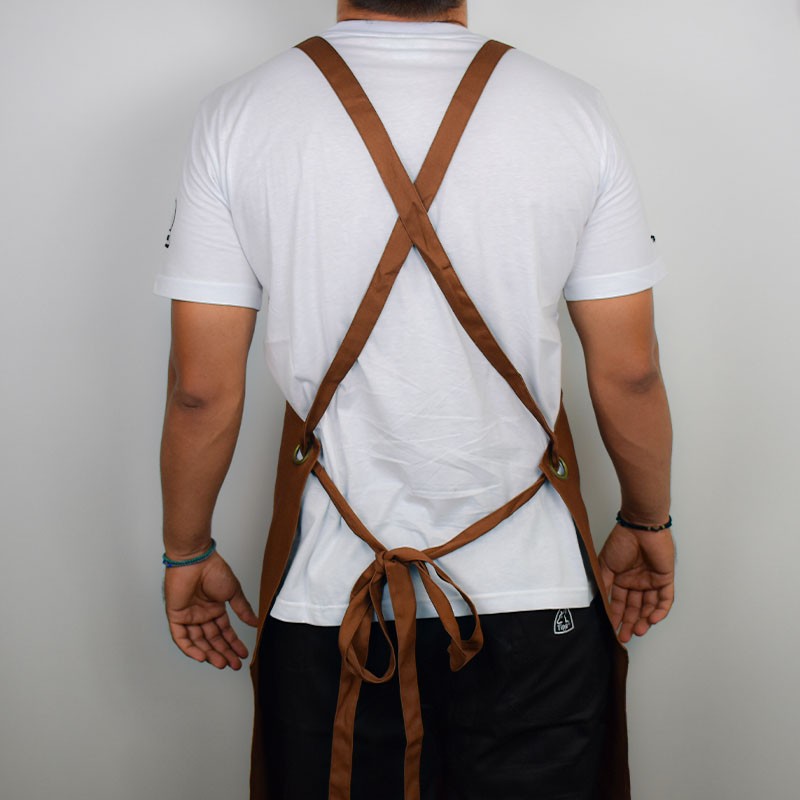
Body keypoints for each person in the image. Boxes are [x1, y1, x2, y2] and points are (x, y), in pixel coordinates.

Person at [155, 1, 675, 798]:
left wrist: (187, 551)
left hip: (333, 604)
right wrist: (646, 521)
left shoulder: (240, 115)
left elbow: (201, 389)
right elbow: (630, 371)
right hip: (535, 598)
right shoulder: (569, 110)